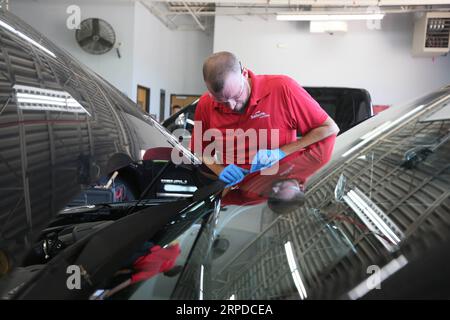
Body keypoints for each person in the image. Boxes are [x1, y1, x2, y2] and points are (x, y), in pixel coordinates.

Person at [190, 51, 339, 207]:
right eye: (222, 101)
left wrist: (282, 152)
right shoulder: (206, 104)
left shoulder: (282, 88)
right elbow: (199, 152)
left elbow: (329, 128)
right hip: (240, 190)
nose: (232, 106)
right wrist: (219, 170)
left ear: (244, 72)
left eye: (236, 96)